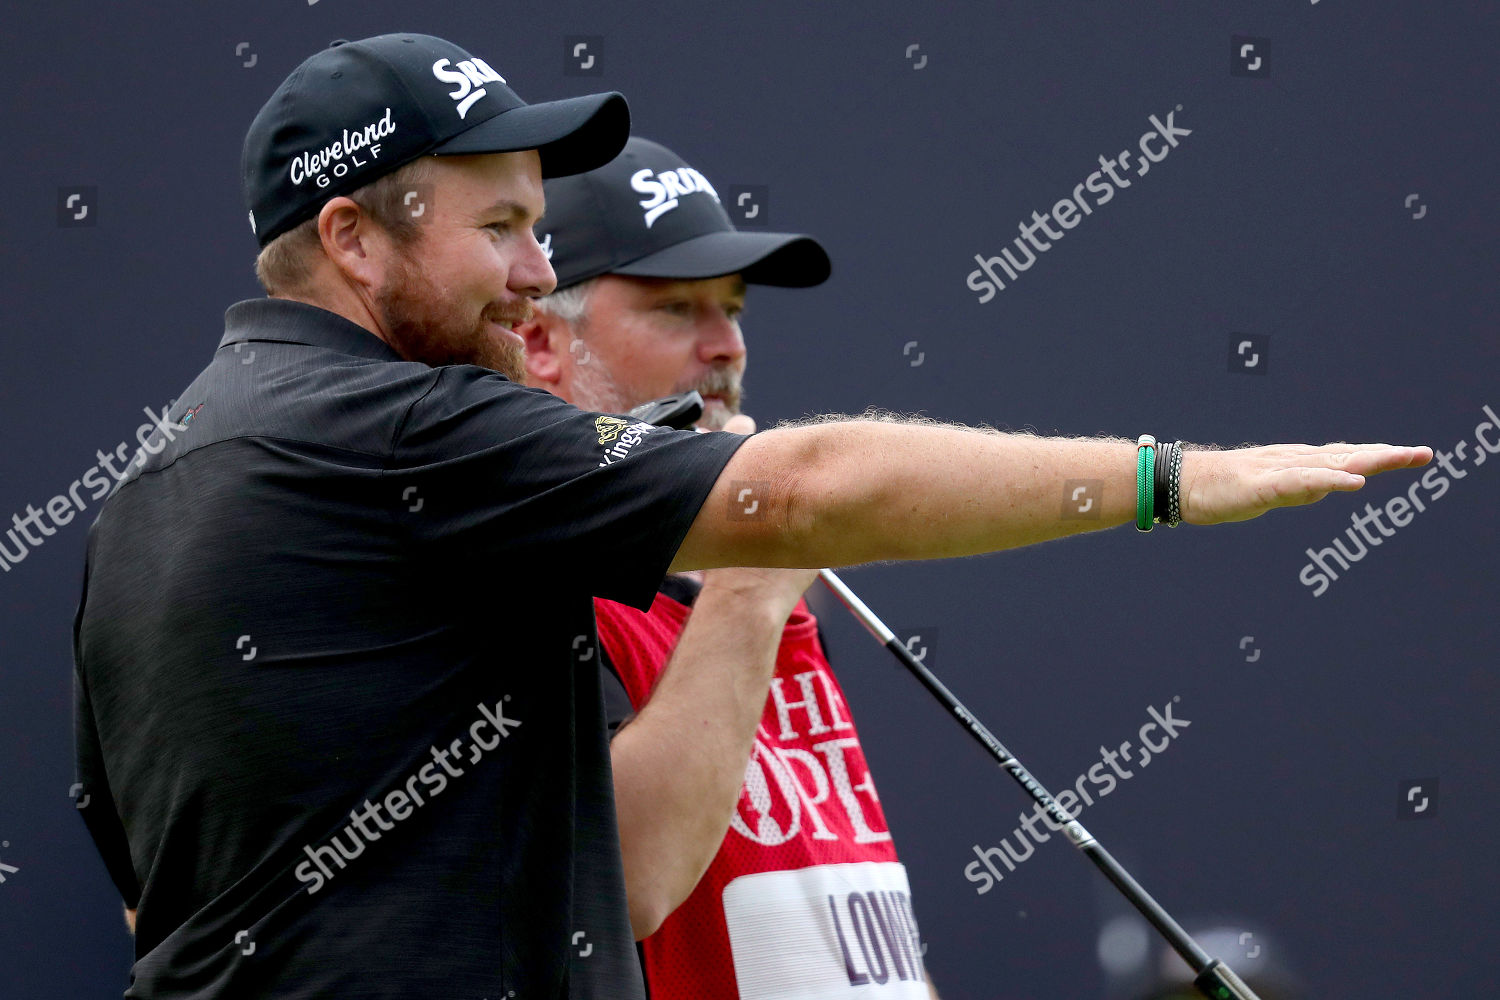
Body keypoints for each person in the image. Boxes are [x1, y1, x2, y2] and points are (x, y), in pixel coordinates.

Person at [72, 29, 1431, 1000]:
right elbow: (796, 493)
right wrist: (1175, 480)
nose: (532, 273)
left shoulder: (145, 500)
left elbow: (159, 903)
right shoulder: (401, 429)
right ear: (356, 238)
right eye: (498, 230)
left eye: (541, 229)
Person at [520, 136, 939, 999]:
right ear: (540, 344)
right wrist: (756, 568)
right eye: (677, 311)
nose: (726, 347)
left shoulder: (746, 591)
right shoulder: (540, 580)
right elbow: (629, 879)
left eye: (734, 308)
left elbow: (843, 894)